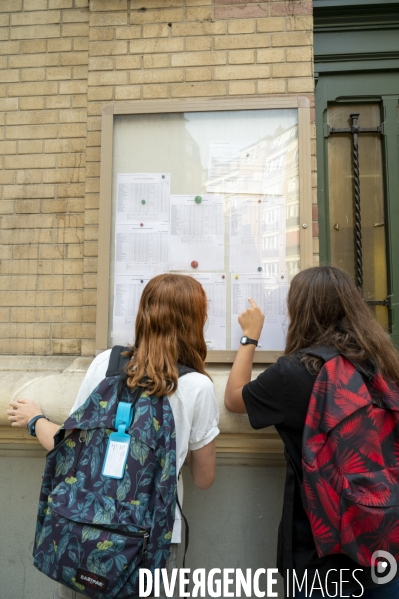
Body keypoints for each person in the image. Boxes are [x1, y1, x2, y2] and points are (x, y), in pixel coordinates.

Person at [8, 273, 220, 599]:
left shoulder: (105, 365)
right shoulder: (197, 386)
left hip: (82, 531)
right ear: (196, 321)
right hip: (151, 542)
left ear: (143, 315)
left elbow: (65, 448)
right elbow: (204, 478)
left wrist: (35, 418)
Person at [224, 265, 399, 599]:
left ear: (298, 310)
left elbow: (234, 399)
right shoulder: (382, 363)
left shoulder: (296, 371)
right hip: (385, 538)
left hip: (321, 553)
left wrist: (250, 336)